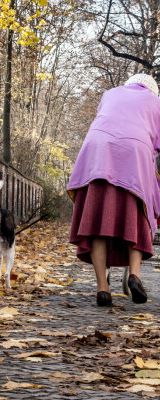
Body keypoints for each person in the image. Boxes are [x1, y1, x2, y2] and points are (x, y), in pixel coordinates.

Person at [67, 73, 160, 306]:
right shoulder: (155, 102)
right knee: (136, 218)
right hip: (133, 152)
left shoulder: (110, 94)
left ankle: (102, 289)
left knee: (98, 222)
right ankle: (135, 276)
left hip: (97, 152)